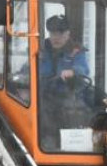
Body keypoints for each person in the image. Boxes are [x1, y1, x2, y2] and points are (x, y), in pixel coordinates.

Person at [38, 14, 92, 150]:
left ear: (68, 33)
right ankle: (45, 145)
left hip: (68, 96)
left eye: (60, 33)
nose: (55, 38)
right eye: (52, 33)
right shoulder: (40, 50)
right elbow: (28, 69)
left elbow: (83, 68)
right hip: (44, 96)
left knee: (76, 111)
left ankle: (70, 145)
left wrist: (73, 72)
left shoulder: (76, 51)